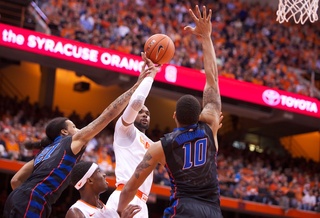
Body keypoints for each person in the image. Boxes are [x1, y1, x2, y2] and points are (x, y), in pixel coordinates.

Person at [3, 52, 157, 218]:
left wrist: (23, 196)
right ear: (64, 132)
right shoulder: (70, 142)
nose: (78, 130)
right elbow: (108, 114)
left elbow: (15, 181)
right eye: (74, 126)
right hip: (34, 199)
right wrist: (137, 85)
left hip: (18, 198)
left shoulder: (44, 152)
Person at [117, 5, 223, 218]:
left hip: (183, 209)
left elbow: (130, 187)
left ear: (174, 116)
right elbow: (212, 78)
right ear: (200, 115)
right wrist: (206, 37)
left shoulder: (160, 147)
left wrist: (120, 211)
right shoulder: (210, 126)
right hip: (213, 211)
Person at [106, 52, 160, 217]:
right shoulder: (124, 131)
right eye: (141, 112)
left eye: (148, 113)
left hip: (142, 203)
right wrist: (150, 76)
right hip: (124, 196)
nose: (145, 114)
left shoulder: (154, 145)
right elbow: (136, 102)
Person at [66, 161, 141, 218]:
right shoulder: (76, 212)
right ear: (90, 180)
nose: (104, 174)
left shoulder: (111, 211)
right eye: (99, 171)